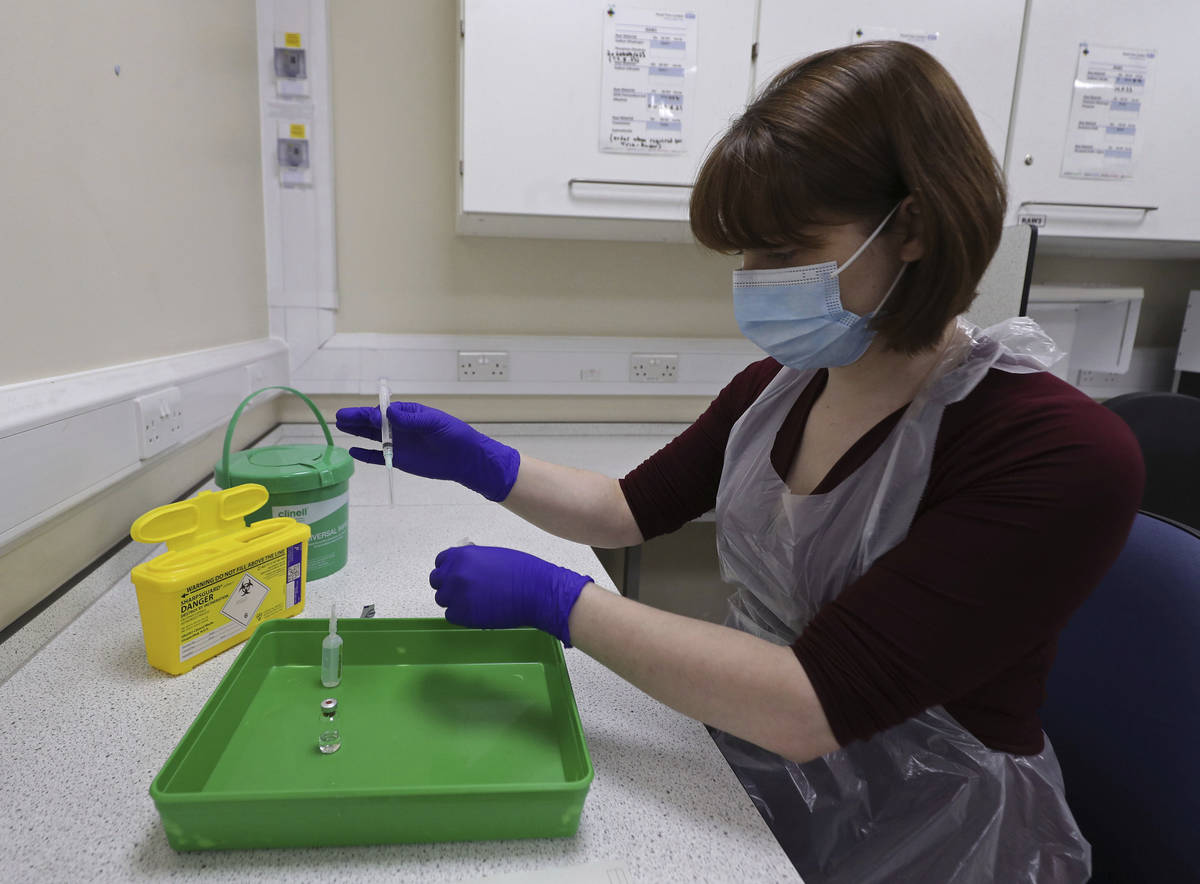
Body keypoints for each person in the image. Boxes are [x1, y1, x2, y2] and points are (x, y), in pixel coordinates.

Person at [336, 41, 1144, 882]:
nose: (755, 283)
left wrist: (560, 600)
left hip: (933, 826)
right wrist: (482, 463)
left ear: (911, 226)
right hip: (755, 760)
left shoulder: (1054, 450)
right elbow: (626, 510)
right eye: (744, 257)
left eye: (785, 251)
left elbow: (811, 703)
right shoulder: (781, 387)